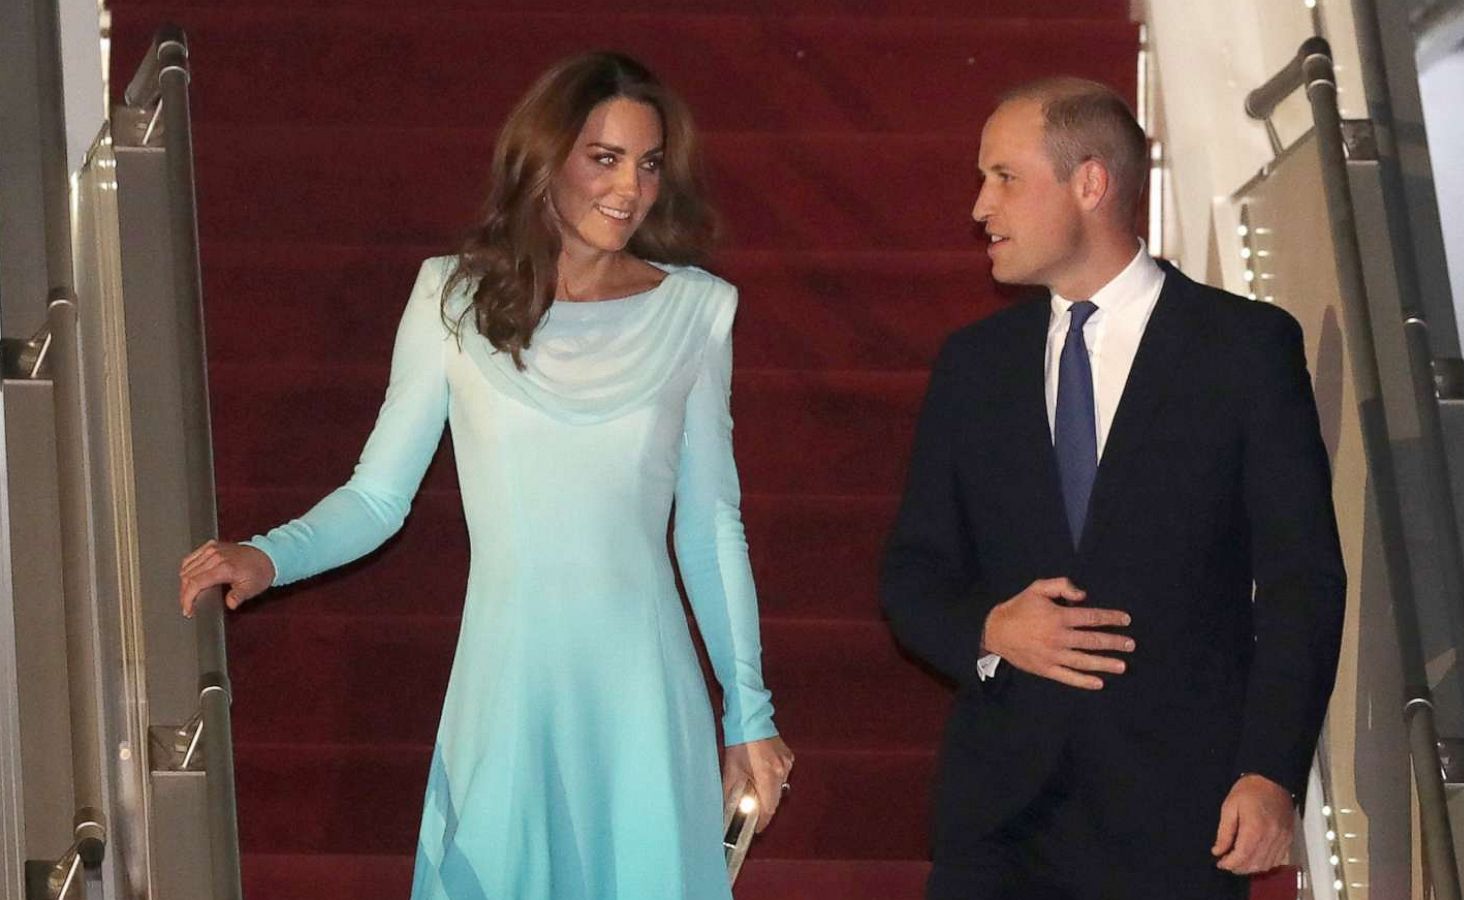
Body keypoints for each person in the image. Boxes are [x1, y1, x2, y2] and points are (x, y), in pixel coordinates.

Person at [177, 51, 794, 900]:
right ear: (545, 158)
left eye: (648, 165)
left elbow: (709, 524)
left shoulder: (695, 311)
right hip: (507, 685)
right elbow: (378, 497)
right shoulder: (450, 299)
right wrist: (267, 556)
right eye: (603, 158)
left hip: (643, 690)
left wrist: (747, 710)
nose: (630, 189)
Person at [880, 76, 1345, 900]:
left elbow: (1300, 579)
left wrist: (1270, 770)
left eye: (1004, 177)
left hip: (1178, 814)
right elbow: (914, 576)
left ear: (1089, 183)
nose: (980, 208)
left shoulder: (1243, 350)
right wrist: (989, 627)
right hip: (998, 818)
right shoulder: (973, 366)